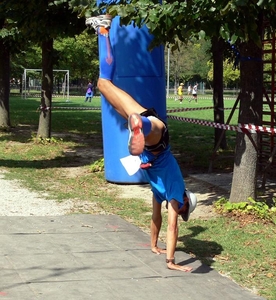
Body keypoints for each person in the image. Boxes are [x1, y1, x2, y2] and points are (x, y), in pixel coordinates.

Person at [86, 14, 197, 272]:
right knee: (152, 129)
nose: (179, 212)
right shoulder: (175, 192)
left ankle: (104, 30)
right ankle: (139, 123)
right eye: (183, 210)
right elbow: (170, 224)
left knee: (104, 83)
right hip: (158, 138)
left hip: (151, 135)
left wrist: (153, 246)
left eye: (181, 211)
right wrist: (171, 262)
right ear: (185, 202)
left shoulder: (160, 192)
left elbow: (155, 217)